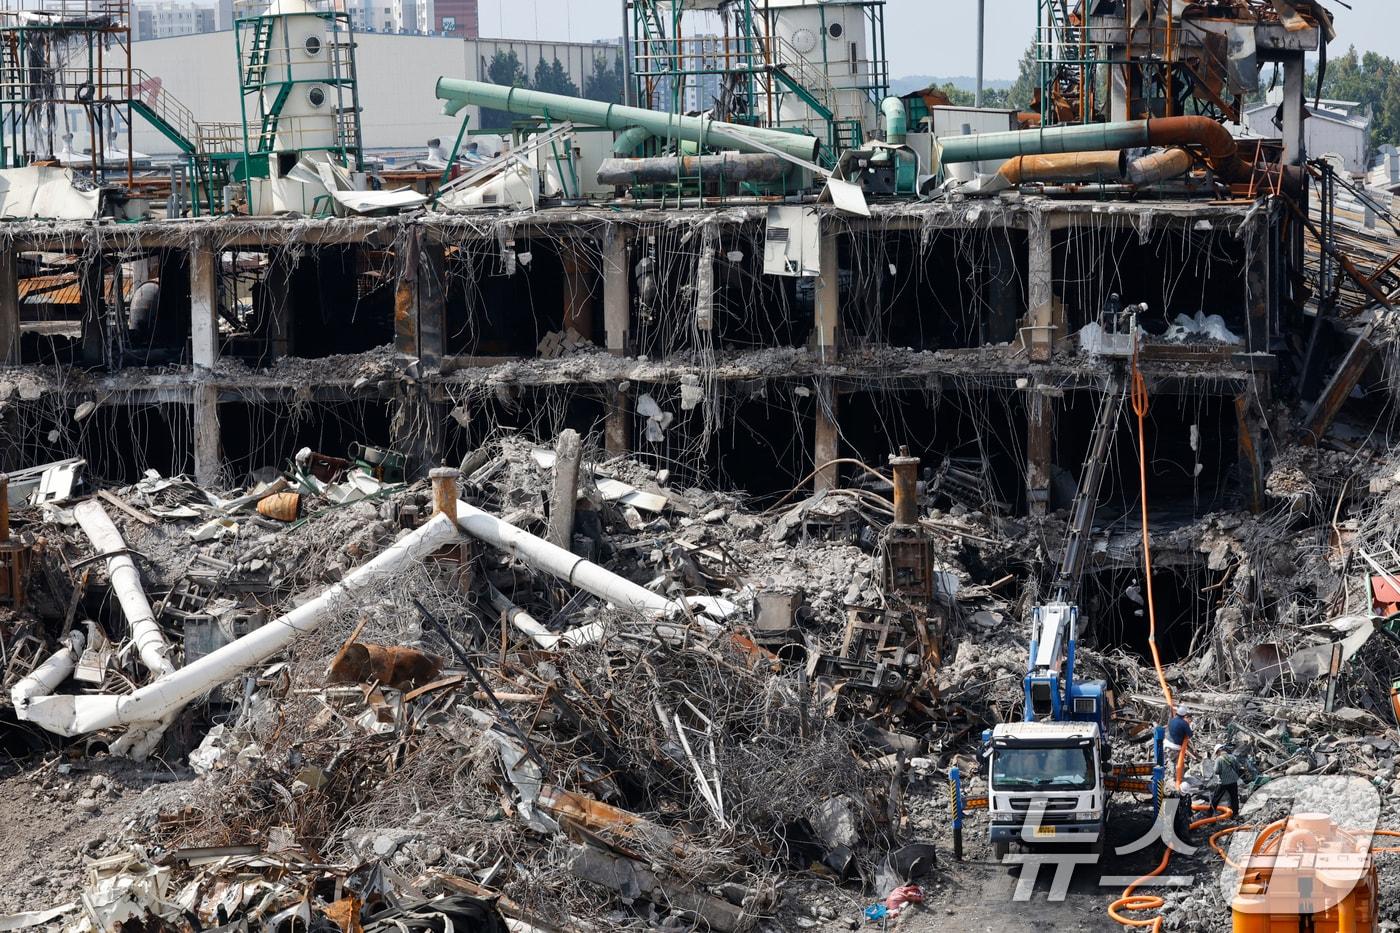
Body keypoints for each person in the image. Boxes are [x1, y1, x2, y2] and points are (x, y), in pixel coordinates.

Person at [1209, 743, 1242, 818]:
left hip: (1223, 782)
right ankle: (1235, 814)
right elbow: (1238, 767)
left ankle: (1210, 813)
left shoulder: (1219, 759)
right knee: (1234, 798)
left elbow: (1216, 771)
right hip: (1233, 781)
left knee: (1216, 798)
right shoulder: (1232, 757)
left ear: (1218, 752)